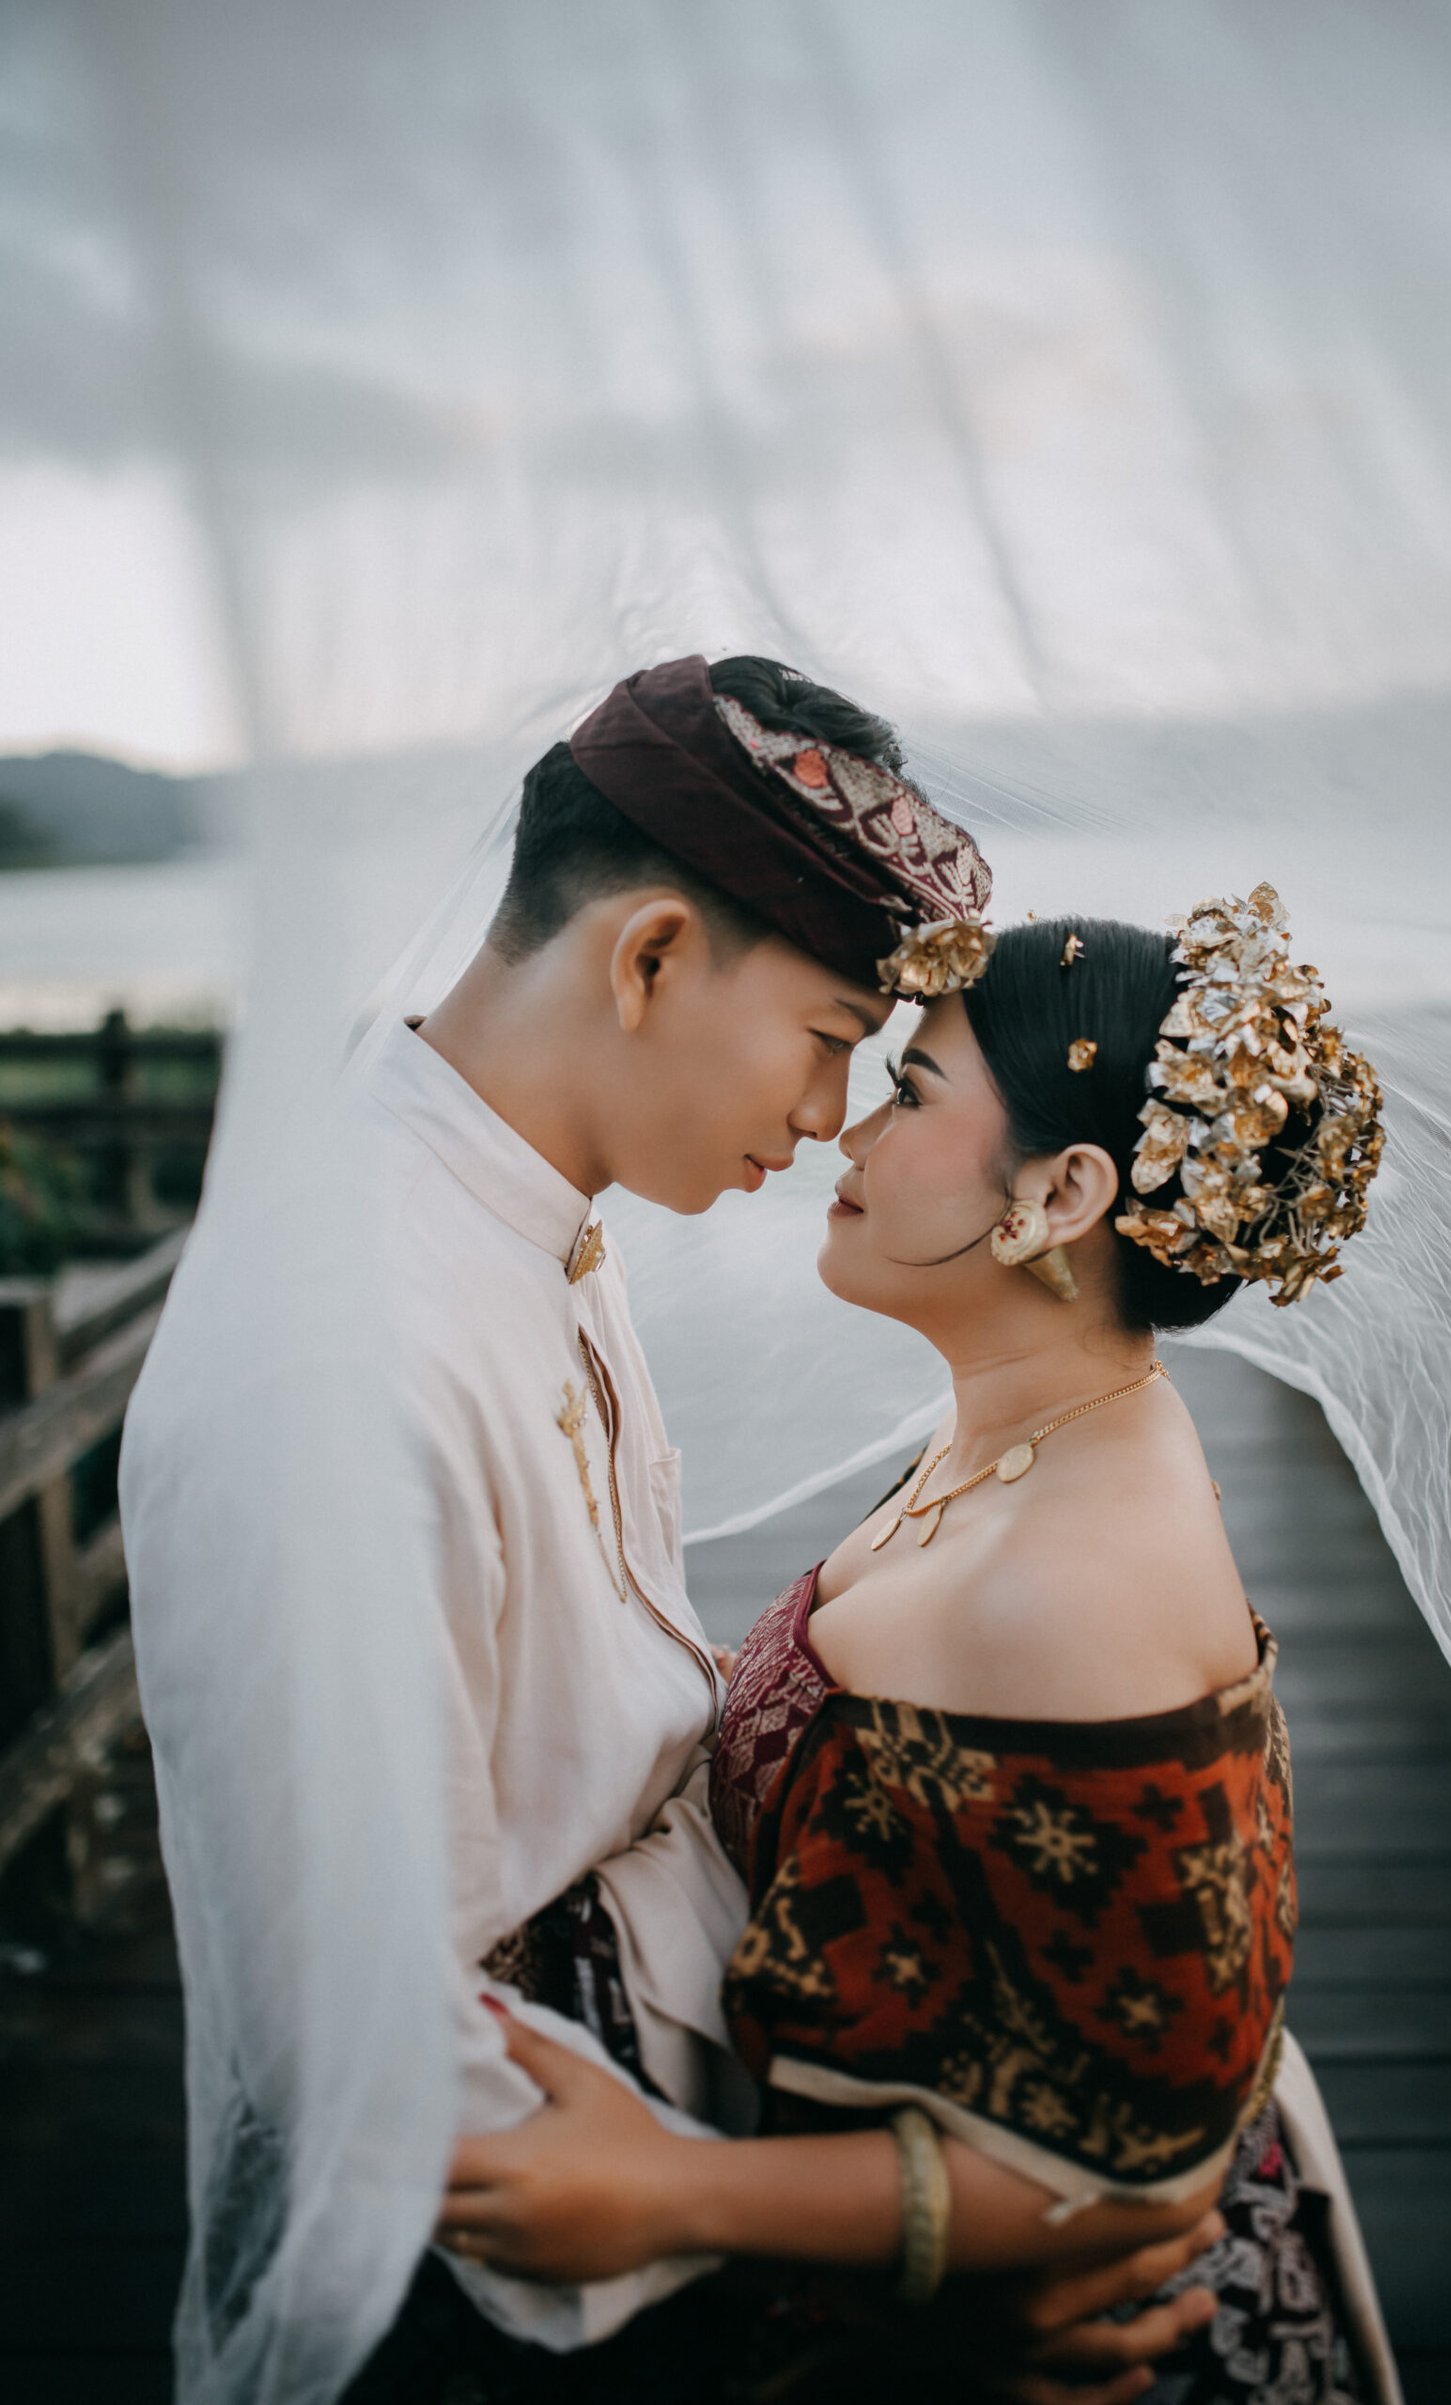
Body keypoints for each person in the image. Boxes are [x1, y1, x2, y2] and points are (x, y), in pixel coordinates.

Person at [123, 655, 1223, 2405]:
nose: (826, 1120)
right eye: (829, 1042)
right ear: (646, 958)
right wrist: (897, 2282)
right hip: (519, 2305)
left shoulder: (521, 1212)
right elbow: (379, 2068)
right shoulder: (338, 1363)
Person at [433, 897, 1402, 2405]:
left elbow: (1134, 2166)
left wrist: (668, 2194)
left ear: (1063, 1192)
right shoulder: (1023, 1431)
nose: (848, 1130)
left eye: (911, 1091)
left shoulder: (1077, 1587)